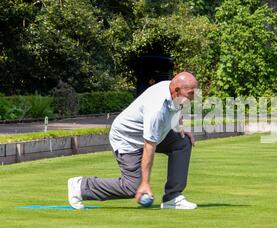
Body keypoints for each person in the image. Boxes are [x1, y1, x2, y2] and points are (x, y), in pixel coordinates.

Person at [67, 71, 198, 210]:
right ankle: (81, 186)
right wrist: (145, 183)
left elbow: (176, 108)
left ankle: (173, 197)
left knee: (182, 142)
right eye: (191, 93)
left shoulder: (174, 91)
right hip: (127, 139)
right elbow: (149, 146)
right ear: (176, 90)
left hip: (149, 134)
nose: (194, 97)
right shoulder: (156, 108)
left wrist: (181, 125)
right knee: (133, 187)